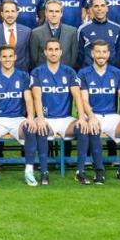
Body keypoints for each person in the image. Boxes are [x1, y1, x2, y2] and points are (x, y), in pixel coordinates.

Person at [76, 39, 120, 185]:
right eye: (98, 52)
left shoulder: (116, 73)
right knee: (93, 128)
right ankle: (99, 171)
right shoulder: (84, 73)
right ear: (92, 53)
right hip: (94, 114)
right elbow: (84, 100)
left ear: (108, 54)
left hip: (112, 115)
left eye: (104, 52)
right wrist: (91, 117)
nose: (101, 55)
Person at [0, 44, 35, 187]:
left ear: (15, 57)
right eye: (4, 57)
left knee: (30, 128)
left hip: (18, 119)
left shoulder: (23, 76)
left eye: (10, 56)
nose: (7, 59)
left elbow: (29, 99)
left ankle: (29, 170)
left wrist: (30, 118)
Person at [29, 37, 80, 186]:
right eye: (50, 49)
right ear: (45, 52)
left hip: (65, 118)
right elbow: (36, 97)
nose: (53, 52)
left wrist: (82, 118)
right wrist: (41, 118)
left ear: (61, 52)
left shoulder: (69, 72)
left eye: (56, 49)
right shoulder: (37, 72)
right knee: (42, 129)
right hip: (47, 118)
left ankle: (81, 171)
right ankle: (44, 172)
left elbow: (78, 96)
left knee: (83, 129)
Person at [29, 0, 80, 70]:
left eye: (57, 11)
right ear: (46, 13)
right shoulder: (36, 33)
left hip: (66, 75)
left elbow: (73, 58)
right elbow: (34, 59)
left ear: (61, 13)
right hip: (43, 75)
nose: (54, 14)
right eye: (51, 11)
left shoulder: (72, 32)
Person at [0, 0, 33, 73]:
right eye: (7, 11)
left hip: (21, 75)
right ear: (2, 14)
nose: (10, 15)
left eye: (12, 11)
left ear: (17, 13)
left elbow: (28, 57)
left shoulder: (27, 31)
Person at [79, 0, 120, 68]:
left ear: (107, 8)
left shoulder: (117, 28)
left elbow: (118, 54)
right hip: (90, 74)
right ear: (91, 9)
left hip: (111, 74)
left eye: (102, 5)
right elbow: (80, 55)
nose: (99, 8)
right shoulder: (83, 29)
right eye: (96, 6)